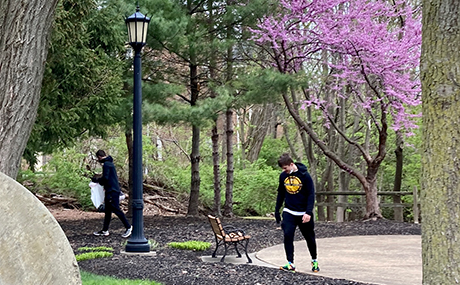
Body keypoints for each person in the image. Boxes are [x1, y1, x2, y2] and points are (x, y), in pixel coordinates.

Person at [274, 153, 319, 273]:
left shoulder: (305, 175)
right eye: (283, 169)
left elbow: (311, 194)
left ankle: (314, 260)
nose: (285, 171)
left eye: (285, 168)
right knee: (288, 235)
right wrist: (277, 210)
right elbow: (281, 193)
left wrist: (308, 212)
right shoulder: (283, 176)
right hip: (289, 211)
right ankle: (290, 263)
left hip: (304, 212)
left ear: (291, 164)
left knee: (309, 237)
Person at [92, 149, 132, 238]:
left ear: (99, 157)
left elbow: (105, 178)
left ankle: (128, 227)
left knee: (116, 209)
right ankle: (105, 230)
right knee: (108, 211)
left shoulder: (106, 165)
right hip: (111, 190)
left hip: (111, 191)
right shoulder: (110, 163)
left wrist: (97, 180)